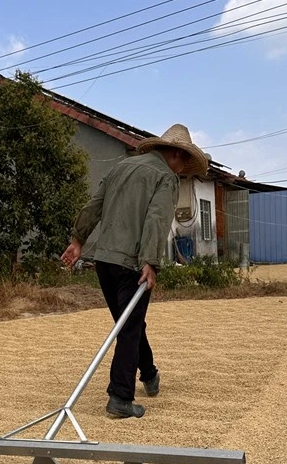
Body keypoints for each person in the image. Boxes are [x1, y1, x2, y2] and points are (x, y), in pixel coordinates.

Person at [60, 124, 209, 419]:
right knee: (128, 329)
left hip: (104, 261)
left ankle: (149, 374)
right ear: (177, 154)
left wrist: (78, 240)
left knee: (129, 323)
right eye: (183, 165)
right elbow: (156, 220)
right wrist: (150, 262)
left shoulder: (122, 167)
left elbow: (95, 205)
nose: (181, 172)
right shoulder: (165, 177)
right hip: (132, 263)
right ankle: (120, 397)